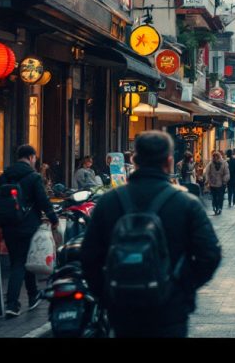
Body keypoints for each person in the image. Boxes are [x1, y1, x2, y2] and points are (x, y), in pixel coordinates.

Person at [80, 131, 221, 338]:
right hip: (169, 310)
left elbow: (89, 255)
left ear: (134, 160)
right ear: (169, 161)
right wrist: (181, 287)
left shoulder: (109, 202)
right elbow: (210, 254)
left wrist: (107, 292)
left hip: (122, 307)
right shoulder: (186, 203)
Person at [0, 144, 59, 318]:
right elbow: (42, 200)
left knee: (19, 261)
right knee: (20, 263)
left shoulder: (4, 176)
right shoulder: (33, 177)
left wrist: (0, 221)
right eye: (35, 158)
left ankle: (33, 295)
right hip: (28, 225)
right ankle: (13, 304)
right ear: (31, 157)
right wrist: (53, 219)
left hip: (9, 226)